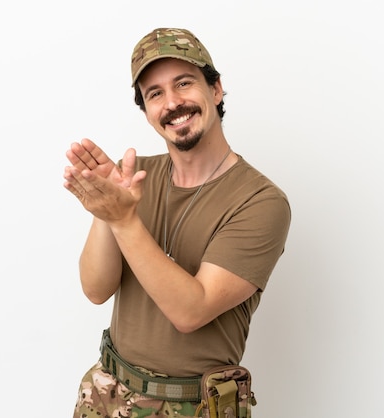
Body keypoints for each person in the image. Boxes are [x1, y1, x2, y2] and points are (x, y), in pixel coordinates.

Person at [63, 27, 291, 418]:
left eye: (183, 83)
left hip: (191, 407)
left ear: (216, 89)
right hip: (107, 392)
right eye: (155, 94)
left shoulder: (260, 201)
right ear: (148, 112)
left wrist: (124, 218)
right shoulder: (134, 179)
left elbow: (191, 311)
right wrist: (107, 213)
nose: (172, 102)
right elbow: (96, 289)